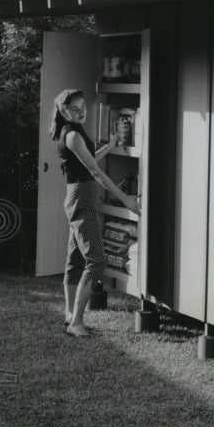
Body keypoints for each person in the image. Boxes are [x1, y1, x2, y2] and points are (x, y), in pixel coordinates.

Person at [49, 88, 140, 337]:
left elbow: (88, 160)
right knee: (96, 261)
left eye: (83, 107)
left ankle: (70, 315)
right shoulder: (72, 135)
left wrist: (109, 145)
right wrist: (126, 199)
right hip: (81, 199)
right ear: (64, 111)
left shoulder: (73, 132)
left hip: (78, 197)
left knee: (75, 259)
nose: (81, 112)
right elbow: (95, 173)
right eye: (75, 109)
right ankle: (77, 322)